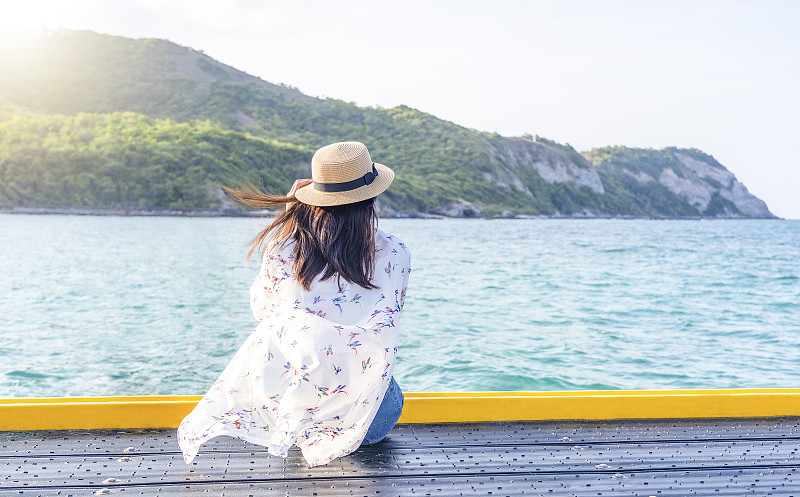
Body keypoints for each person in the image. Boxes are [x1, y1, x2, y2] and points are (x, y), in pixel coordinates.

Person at [177, 141, 410, 468]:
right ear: (371, 196)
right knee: (386, 388)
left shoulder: (283, 248)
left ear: (316, 196)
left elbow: (265, 312)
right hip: (368, 421)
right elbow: (387, 322)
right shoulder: (395, 252)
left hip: (290, 418)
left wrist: (289, 221)